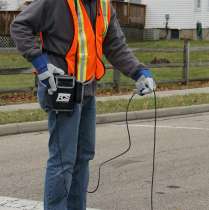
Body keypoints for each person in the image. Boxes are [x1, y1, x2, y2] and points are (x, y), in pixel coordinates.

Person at [10, 0, 156, 209]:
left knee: (83, 156)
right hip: (62, 89)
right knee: (63, 161)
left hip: (87, 91)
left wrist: (139, 72)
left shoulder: (104, 6)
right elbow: (19, 26)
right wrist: (41, 64)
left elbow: (115, 46)